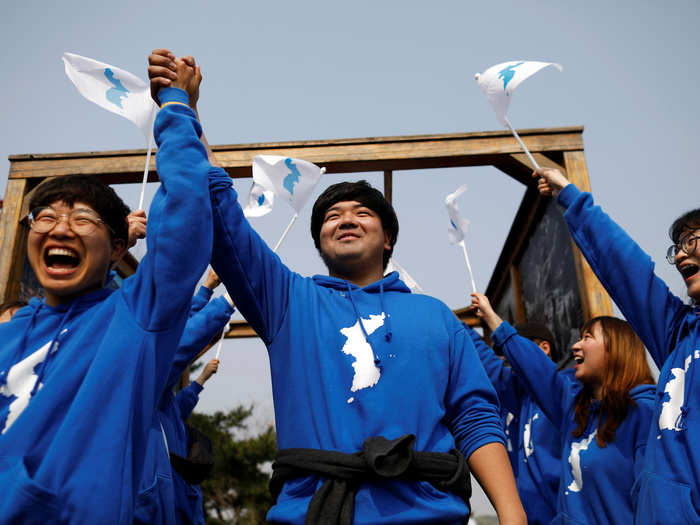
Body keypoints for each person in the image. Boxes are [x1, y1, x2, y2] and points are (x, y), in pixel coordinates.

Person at [148, 49, 526, 525]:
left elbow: (475, 417)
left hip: (430, 515)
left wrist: (513, 515)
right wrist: (188, 109)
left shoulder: (437, 318)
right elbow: (221, 213)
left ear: (388, 238)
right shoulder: (289, 301)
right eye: (331, 215)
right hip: (312, 514)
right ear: (320, 241)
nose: (345, 217)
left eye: (362, 212)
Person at [0, 56, 212, 524]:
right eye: (47, 217)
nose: (59, 229)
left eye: (82, 219)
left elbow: (186, 218)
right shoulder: (7, 336)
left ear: (119, 247)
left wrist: (176, 108)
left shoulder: (132, 320)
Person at [534, 167, 700, 523]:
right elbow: (629, 271)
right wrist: (572, 200)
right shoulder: (680, 335)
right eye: (678, 248)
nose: (682, 256)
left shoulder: (638, 411)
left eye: (693, 241)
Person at [471, 292, 655, 524]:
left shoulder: (646, 413)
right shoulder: (573, 409)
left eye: (587, 337)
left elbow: (656, 501)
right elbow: (530, 369)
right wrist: (479, 322)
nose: (576, 346)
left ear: (616, 348)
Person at [467, 320, 576, 524]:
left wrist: (490, 315)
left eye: (514, 350)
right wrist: (459, 327)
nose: (508, 358)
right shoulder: (520, 397)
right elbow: (489, 364)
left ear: (544, 348)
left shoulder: (568, 392)